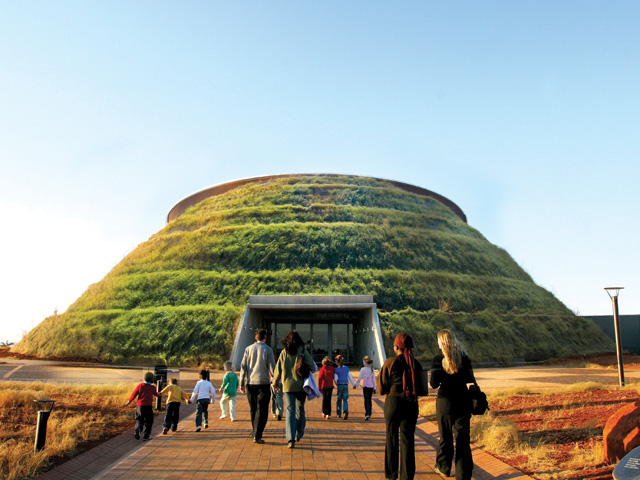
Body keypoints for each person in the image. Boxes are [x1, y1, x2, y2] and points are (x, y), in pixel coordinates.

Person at [430, 329, 475, 480]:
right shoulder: (464, 358)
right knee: (463, 439)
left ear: (441, 343)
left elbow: (434, 384)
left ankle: (443, 467)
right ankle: (463, 473)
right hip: (463, 400)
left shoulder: (437, 359)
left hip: (445, 402)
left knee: (445, 436)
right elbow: (470, 380)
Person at [378, 333, 424, 480]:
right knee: (408, 440)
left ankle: (391, 475)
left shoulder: (390, 362)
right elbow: (422, 388)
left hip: (393, 403)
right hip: (411, 404)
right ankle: (407, 476)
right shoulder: (416, 364)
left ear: (397, 346)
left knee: (391, 438)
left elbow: (381, 388)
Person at [272, 330, 315, 448]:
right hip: (301, 386)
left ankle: (290, 438)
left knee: (290, 410)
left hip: (287, 385)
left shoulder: (283, 353)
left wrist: (275, 382)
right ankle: (299, 433)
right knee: (300, 409)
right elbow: (312, 366)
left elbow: (278, 369)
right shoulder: (302, 351)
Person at [240, 328, 276, 444]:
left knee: (253, 408)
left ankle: (254, 430)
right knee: (262, 409)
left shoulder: (248, 349)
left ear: (256, 338)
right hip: (263, 383)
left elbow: (243, 367)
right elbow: (272, 368)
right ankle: (257, 434)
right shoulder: (268, 350)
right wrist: (275, 382)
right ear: (265, 338)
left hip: (250, 383)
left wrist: (241, 383)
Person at [125, 371, 161, 441]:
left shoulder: (140, 386)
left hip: (140, 406)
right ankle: (146, 436)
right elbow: (156, 394)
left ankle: (138, 429)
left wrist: (129, 401)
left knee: (139, 420)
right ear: (152, 380)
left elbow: (134, 394)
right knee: (149, 421)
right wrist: (159, 394)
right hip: (148, 406)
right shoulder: (153, 387)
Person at [333, 354, 355, 420]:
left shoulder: (336, 370)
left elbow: (335, 378)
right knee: (345, 399)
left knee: (339, 400)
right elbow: (350, 377)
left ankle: (338, 413)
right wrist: (353, 384)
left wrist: (336, 384)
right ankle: (345, 410)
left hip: (340, 385)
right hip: (346, 385)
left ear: (337, 361)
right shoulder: (346, 368)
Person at [355, 355, 376, 420]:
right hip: (371, 386)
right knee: (369, 399)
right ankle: (369, 413)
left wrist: (356, 384)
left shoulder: (363, 369)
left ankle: (367, 413)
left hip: (366, 386)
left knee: (366, 400)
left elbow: (359, 378)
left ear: (366, 362)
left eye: (364, 362)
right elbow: (374, 379)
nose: (363, 363)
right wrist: (375, 387)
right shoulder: (372, 369)